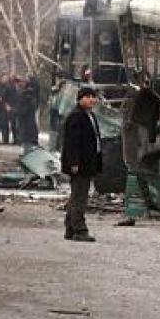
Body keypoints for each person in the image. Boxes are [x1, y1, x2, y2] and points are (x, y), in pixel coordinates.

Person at [61, 86, 102, 242]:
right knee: (80, 197)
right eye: (88, 96)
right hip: (80, 164)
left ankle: (70, 228)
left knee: (76, 195)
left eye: (93, 96)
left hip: (88, 162)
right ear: (80, 99)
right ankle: (80, 230)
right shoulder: (76, 117)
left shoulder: (89, 115)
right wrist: (74, 163)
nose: (92, 99)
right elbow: (72, 143)